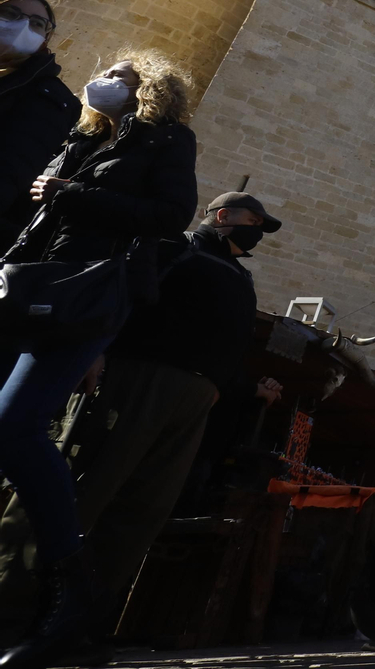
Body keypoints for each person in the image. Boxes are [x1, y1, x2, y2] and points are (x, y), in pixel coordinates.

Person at [0, 191, 283, 648]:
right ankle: (11, 614)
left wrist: (234, 390)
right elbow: (123, 297)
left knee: (140, 512)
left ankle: (77, 627)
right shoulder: (177, 247)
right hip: (136, 380)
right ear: (225, 216)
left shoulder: (241, 276)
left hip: (191, 403)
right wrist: (95, 352)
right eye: (255, 221)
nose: (258, 232)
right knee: (80, 489)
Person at [0, 50, 197, 669]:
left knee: (16, 424)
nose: (106, 81)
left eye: (122, 77)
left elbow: (171, 217)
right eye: (106, 73)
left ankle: (71, 581)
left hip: (86, 296)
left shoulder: (167, 139)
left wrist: (74, 194)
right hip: (29, 287)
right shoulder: (81, 138)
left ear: (149, 91)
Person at [0, 0, 77, 252]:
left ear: (45, 38)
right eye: (10, 13)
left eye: (36, 23)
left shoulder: (50, 98)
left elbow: (9, 171)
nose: (22, 25)